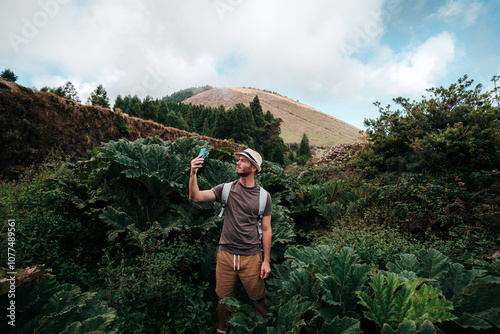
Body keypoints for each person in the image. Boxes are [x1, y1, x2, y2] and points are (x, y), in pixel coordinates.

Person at [189, 148, 272, 334]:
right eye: (239, 159)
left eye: (243, 160)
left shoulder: (264, 197)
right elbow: (195, 197)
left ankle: (262, 329)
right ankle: (221, 331)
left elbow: (267, 229)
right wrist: (193, 174)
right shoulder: (225, 189)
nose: (238, 162)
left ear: (254, 168)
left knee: (259, 298)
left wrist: (266, 261)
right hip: (225, 256)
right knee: (223, 299)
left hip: (251, 257)